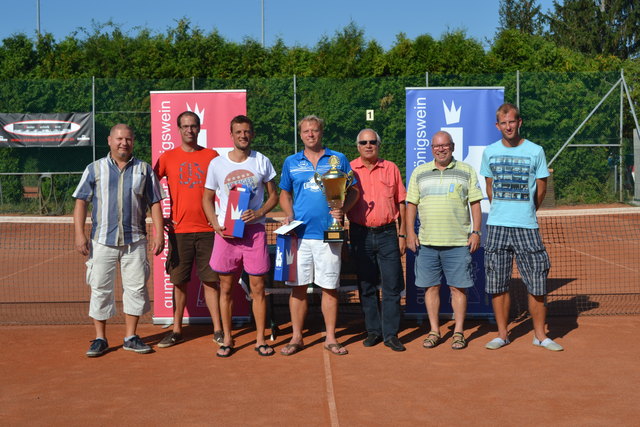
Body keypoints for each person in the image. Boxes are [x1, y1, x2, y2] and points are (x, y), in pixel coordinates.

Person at [73, 124, 164, 357]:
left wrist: (159, 233)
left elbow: (155, 202)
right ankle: (100, 338)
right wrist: (79, 233)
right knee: (100, 289)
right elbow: (81, 201)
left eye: (129, 139)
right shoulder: (94, 169)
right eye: (119, 138)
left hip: (135, 241)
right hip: (102, 241)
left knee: (136, 289)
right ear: (110, 140)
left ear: (134, 141)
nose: (124, 143)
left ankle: (131, 337)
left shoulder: (144, 170)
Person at [480, 103, 563, 351]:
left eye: (512, 122)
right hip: (497, 227)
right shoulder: (489, 152)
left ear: (519, 122)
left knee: (537, 282)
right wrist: (503, 210)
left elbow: (541, 187)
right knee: (497, 284)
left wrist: (526, 211)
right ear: (498, 126)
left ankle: (540, 335)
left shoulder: (536, 151)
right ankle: (502, 334)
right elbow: (489, 185)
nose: (508, 126)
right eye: (503, 123)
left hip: (527, 227)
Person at [279, 115, 359, 356]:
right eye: (306, 131)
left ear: (321, 133)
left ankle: (331, 337)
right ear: (300, 134)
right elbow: (284, 193)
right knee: (298, 288)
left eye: (314, 130)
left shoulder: (338, 159)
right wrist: (289, 214)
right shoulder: (291, 162)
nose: (310, 134)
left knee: (329, 287)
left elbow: (353, 191)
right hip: (299, 236)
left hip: (329, 234)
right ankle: (296, 337)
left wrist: (342, 210)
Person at [202, 115, 278, 358]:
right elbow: (206, 198)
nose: (243, 135)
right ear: (231, 134)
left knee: (258, 287)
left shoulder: (262, 161)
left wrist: (259, 212)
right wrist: (215, 223)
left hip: (254, 233)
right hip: (227, 235)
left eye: (247, 131)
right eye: (238, 132)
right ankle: (227, 338)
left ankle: (260, 339)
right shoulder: (217, 164)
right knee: (226, 287)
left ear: (252, 134)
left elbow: (274, 196)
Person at [406, 131, 483, 350]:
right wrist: (410, 233)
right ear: (431, 149)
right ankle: (434, 330)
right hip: (427, 242)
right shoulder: (419, 172)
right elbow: (411, 204)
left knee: (458, 289)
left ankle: (458, 332)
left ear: (453, 146)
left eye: (445, 145)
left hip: (458, 243)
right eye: (437, 146)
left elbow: (475, 203)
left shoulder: (466, 171)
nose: (441, 149)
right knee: (430, 288)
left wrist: (476, 232)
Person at [154, 111, 223, 348]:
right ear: (178, 128)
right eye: (185, 126)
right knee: (179, 282)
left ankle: (218, 329)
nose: (189, 130)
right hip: (178, 231)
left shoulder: (212, 156)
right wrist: (157, 217)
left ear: (199, 128)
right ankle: (176, 330)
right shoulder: (167, 157)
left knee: (211, 281)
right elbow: (150, 186)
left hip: (208, 230)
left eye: (193, 126)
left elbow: (225, 186)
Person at [347, 128, 407, 352]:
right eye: (363, 142)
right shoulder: (349, 169)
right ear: (358, 146)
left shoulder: (390, 168)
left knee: (392, 285)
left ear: (378, 145)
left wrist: (403, 234)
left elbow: (402, 201)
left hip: (388, 234)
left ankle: (391, 334)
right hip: (359, 234)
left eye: (372, 141)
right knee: (366, 285)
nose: (368, 145)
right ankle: (373, 331)